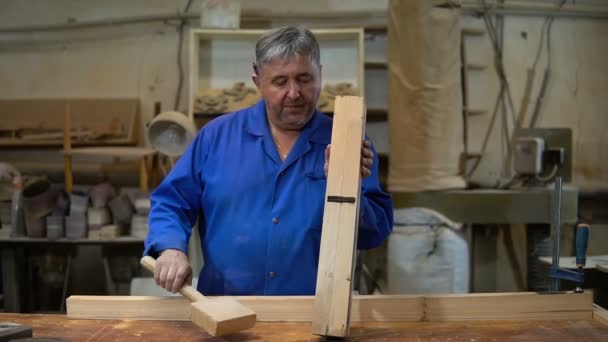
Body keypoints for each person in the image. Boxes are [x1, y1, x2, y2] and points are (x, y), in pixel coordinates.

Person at [144, 26, 393, 295]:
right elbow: (172, 202)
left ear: (320, 74)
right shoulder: (216, 138)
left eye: (304, 79)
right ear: (257, 80)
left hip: (315, 312)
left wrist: (346, 189)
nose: (294, 93)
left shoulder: (348, 143)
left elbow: (373, 234)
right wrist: (170, 249)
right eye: (280, 82)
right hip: (224, 309)